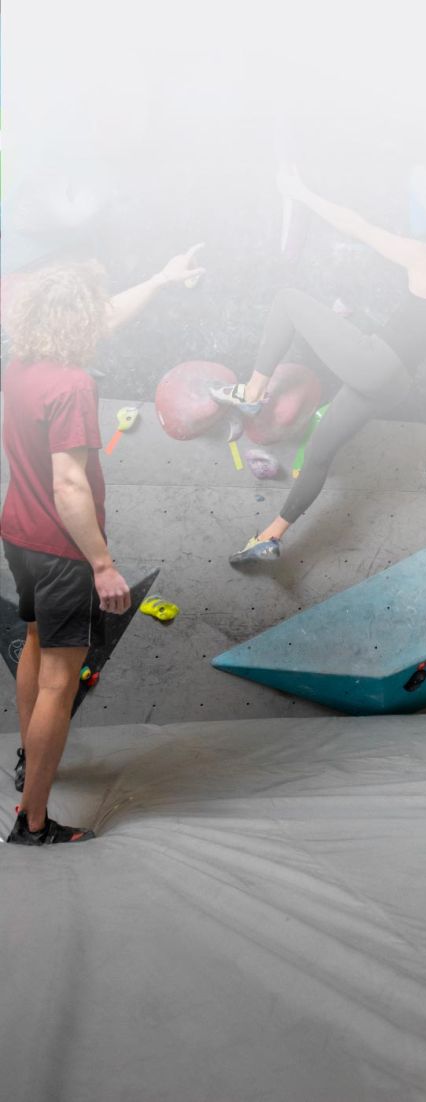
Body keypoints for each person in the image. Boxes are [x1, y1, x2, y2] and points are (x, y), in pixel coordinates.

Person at [218, 153, 426, 565]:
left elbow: (358, 226)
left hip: (373, 360)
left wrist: (300, 193)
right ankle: (271, 536)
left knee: (287, 300)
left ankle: (251, 392)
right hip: (395, 384)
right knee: (319, 453)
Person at [3, 245, 205, 846]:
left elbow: (106, 314)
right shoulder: (71, 386)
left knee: (36, 647)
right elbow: (69, 486)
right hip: (64, 553)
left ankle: (29, 761)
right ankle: (32, 822)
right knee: (61, 682)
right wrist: (103, 564)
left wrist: (162, 277)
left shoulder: (21, 363)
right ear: (78, 323)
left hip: (20, 535)